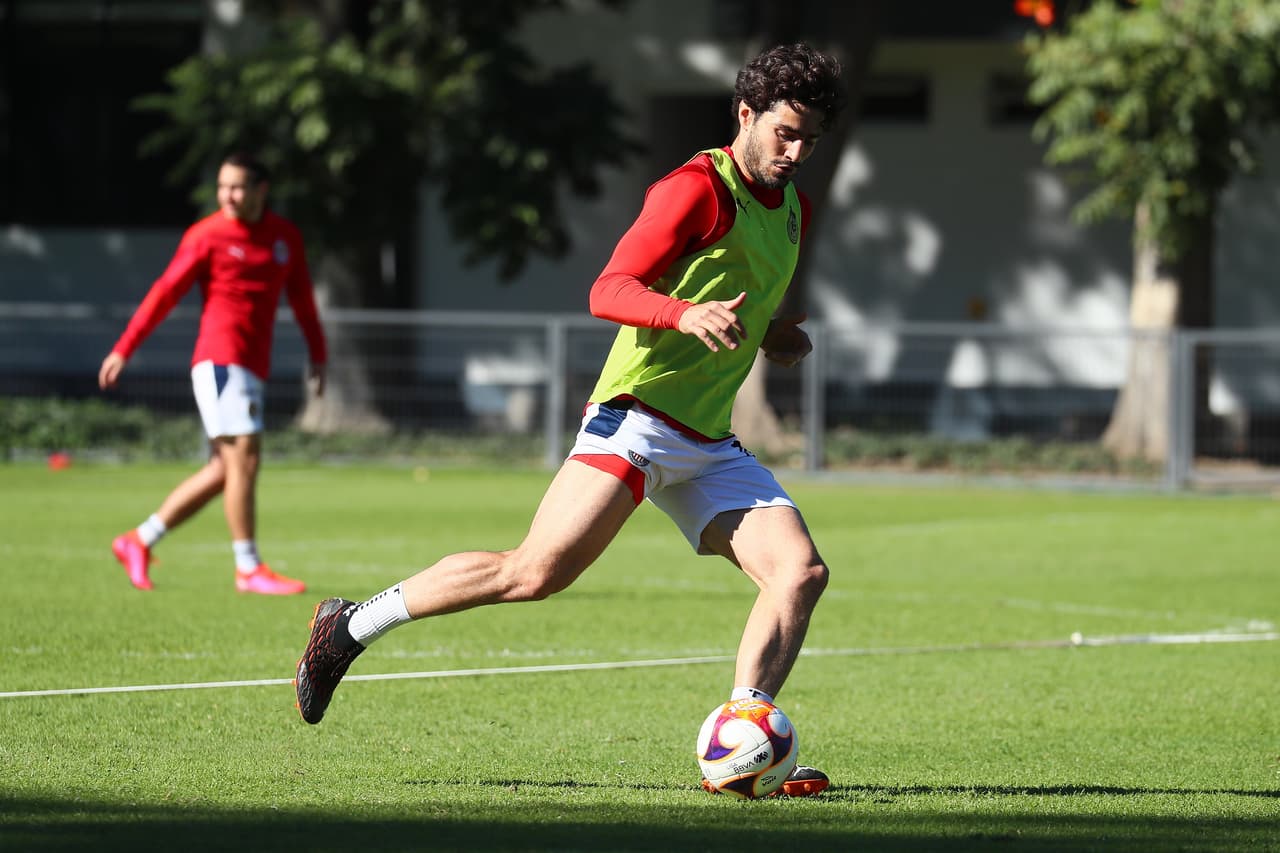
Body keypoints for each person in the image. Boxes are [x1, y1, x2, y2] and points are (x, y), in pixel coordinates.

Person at [295, 43, 844, 795]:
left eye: (811, 138)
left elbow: (743, 292)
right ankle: (350, 625)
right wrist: (683, 316)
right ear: (744, 114)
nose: (796, 150)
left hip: (709, 441)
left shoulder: (795, 209)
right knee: (533, 573)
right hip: (638, 418)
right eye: (785, 132)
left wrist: (773, 334)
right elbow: (609, 287)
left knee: (799, 572)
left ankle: (745, 735)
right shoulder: (695, 190)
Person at [99, 151, 328, 596]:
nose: (227, 195)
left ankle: (138, 540)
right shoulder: (207, 234)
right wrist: (124, 348)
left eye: (238, 187)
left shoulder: (284, 237)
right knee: (246, 459)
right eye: (222, 186)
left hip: (250, 366)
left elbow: (301, 298)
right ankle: (248, 568)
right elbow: (165, 291)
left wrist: (319, 353)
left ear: (262, 190)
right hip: (222, 359)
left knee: (227, 470)